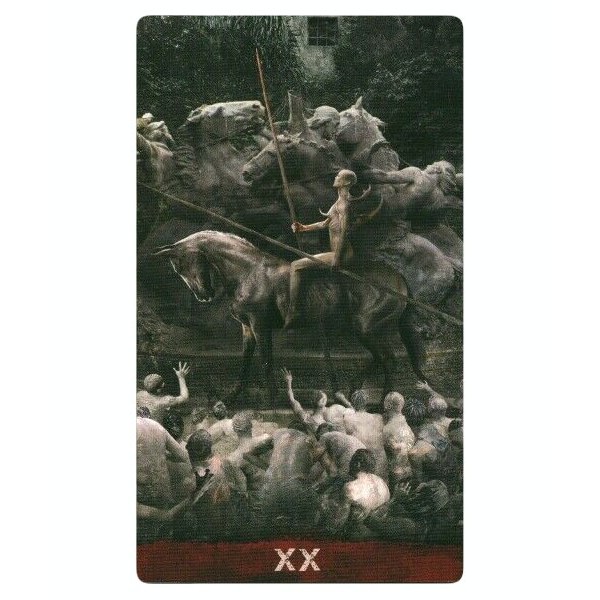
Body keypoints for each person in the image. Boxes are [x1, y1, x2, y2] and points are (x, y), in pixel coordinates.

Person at [284, 168, 372, 328]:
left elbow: (344, 232)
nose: (336, 177)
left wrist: (337, 259)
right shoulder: (337, 203)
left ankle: (294, 311)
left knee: (295, 266)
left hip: (342, 254)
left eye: (339, 176)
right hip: (336, 252)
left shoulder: (344, 205)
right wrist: (303, 228)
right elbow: (324, 224)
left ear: (347, 182)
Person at [136, 416, 196, 543]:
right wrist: (160, 454)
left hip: (144, 502)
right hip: (163, 497)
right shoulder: (155, 426)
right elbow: (183, 456)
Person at [342, 389, 388, 482]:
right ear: (367, 401)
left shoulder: (348, 419)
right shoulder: (378, 418)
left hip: (362, 463)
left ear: (352, 402)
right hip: (379, 462)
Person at [382, 392, 416, 491]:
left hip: (396, 473)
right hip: (409, 470)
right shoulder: (407, 424)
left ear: (387, 405)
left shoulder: (388, 429)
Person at [281, 367, 326, 433]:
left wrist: (289, 382)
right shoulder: (326, 420)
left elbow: (292, 400)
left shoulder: (305, 417)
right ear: (323, 401)